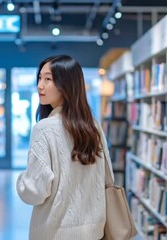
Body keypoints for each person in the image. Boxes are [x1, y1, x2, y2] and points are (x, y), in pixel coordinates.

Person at [16, 55, 114, 240]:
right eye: (39, 78)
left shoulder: (43, 129)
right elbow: (108, 178)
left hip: (55, 232)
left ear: (66, 85)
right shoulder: (93, 126)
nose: (40, 86)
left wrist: (22, 180)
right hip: (94, 232)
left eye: (48, 79)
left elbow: (35, 192)